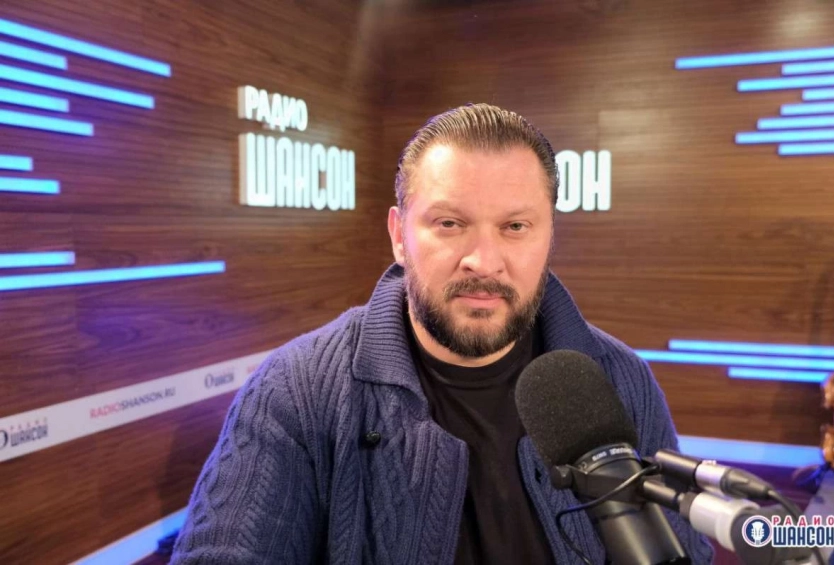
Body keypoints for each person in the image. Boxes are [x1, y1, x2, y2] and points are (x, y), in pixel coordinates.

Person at [170, 103, 714, 564]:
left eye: (515, 226)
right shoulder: (297, 390)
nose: (483, 260)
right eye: (450, 224)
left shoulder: (620, 379)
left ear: (549, 236)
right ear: (399, 236)